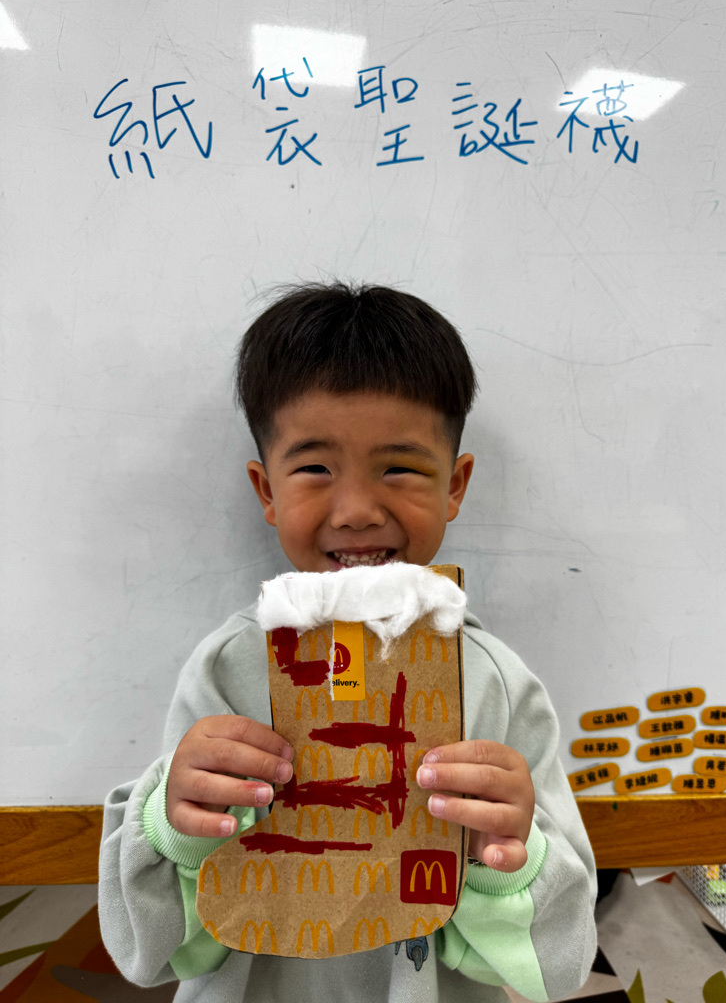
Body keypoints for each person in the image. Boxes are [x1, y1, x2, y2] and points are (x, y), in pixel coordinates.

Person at [99, 282, 597, 1003]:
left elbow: (556, 965)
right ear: (266, 492)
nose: (358, 510)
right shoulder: (228, 672)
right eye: (314, 469)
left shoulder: (494, 684)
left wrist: (503, 858)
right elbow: (155, 952)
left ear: (455, 485)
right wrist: (175, 824)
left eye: (400, 467)